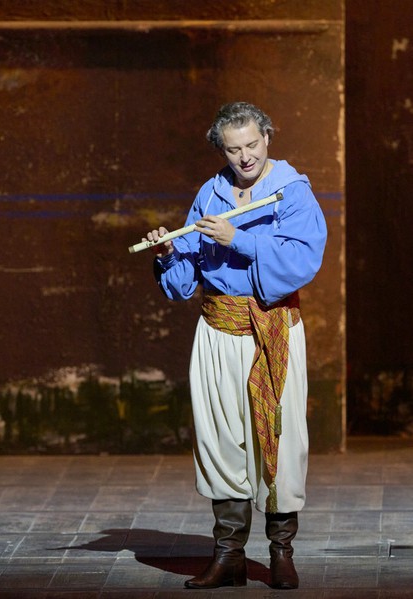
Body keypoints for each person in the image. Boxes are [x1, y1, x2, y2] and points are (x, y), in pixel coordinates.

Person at [144, 101, 327, 590]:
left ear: (267, 137)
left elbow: (301, 261)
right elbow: (184, 281)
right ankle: (229, 556)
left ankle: (281, 553)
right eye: (233, 149)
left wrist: (237, 239)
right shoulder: (210, 194)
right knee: (220, 441)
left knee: (279, 439)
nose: (245, 156)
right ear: (221, 150)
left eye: (252, 144)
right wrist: (169, 254)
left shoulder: (291, 191)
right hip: (218, 329)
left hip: (271, 327)